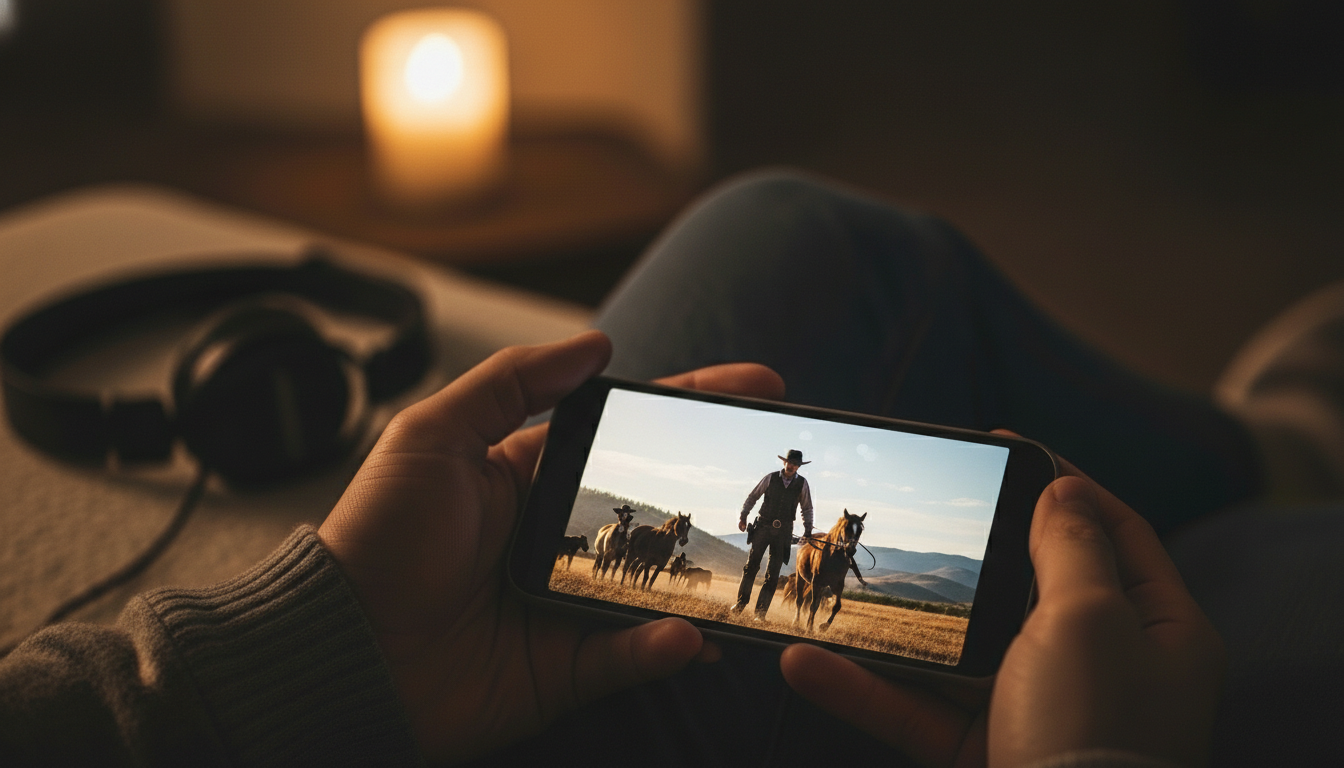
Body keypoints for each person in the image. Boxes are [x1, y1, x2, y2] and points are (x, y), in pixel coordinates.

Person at [2, 170, 1339, 766]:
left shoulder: (801, 489)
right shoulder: (775, 491)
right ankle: (1265, 466)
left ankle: (1263, 451)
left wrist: (312, 648)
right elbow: (762, 504)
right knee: (1224, 596)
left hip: (272, 726)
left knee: (798, 233)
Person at [732, 449, 815, 618]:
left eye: (795, 464)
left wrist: (807, 531)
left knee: (773, 574)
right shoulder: (770, 478)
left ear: (799, 467)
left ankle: (760, 614)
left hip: (784, 532)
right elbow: (753, 496)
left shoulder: (802, 484)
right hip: (763, 526)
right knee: (751, 567)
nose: (792, 466)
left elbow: (807, 508)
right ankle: (740, 604)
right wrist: (743, 516)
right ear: (784, 462)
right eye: (790, 462)